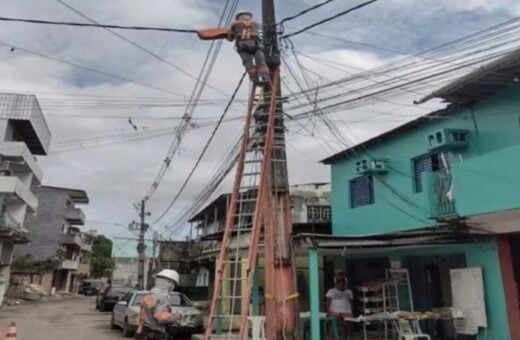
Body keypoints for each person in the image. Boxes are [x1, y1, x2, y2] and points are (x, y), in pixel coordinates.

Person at [227, 11, 271, 85]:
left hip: (242, 45)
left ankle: (255, 79)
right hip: (255, 44)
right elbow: (257, 32)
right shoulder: (255, 23)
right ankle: (266, 79)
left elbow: (230, 38)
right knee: (260, 61)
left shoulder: (235, 24)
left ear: (238, 17)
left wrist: (229, 35)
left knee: (248, 63)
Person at [136, 269, 180, 340]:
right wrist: (175, 317)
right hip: (156, 334)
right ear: (169, 284)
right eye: (173, 284)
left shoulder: (149, 295)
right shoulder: (162, 297)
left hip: (142, 331)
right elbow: (161, 318)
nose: (173, 287)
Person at [326, 270, 353, 339]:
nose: (341, 286)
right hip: (334, 311)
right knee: (333, 324)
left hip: (346, 311)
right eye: (339, 284)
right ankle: (331, 337)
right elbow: (328, 301)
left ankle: (345, 338)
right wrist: (329, 310)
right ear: (336, 284)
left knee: (346, 324)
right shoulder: (331, 291)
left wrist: (351, 311)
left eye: (343, 284)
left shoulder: (349, 291)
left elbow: (351, 302)